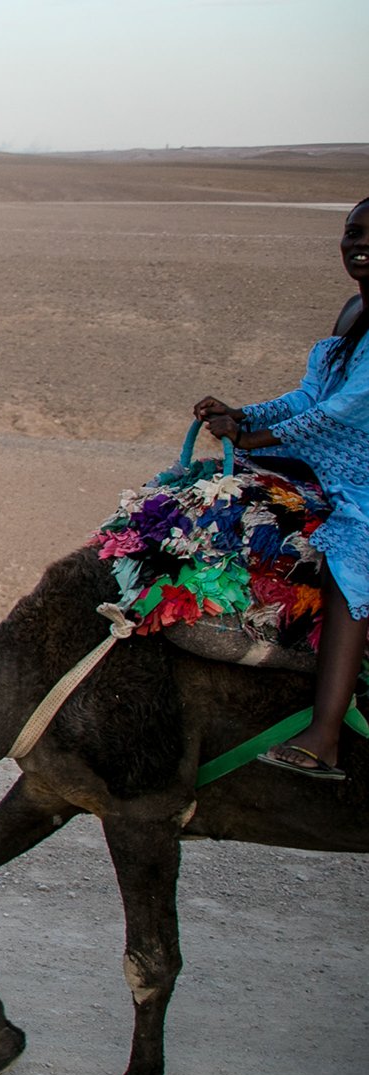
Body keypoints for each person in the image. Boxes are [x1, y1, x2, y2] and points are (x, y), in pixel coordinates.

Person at [193, 195, 369, 781]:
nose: (358, 244)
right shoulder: (353, 312)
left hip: (363, 483)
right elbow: (309, 396)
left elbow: (346, 410)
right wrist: (244, 417)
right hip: (337, 470)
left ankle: (324, 736)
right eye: (351, 232)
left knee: (351, 557)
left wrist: (263, 436)